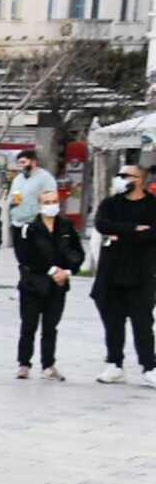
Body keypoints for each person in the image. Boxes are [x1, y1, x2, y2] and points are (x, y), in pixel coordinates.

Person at [94, 161, 156, 385]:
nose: (121, 179)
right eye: (120, 174)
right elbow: (101, 224)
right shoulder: (111, 203)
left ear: (140, 180)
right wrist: (133, 229)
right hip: (112, 272)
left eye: (127, 175)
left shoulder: (152, 205)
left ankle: (149, 366)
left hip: (141, 274)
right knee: (113, 321)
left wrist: (120, 233)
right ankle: (115, 364)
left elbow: (152, 234)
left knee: (142, 323)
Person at [6, 148, 59, 240]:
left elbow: (51, 200)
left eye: (23, 162)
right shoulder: (18, 179)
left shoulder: (45, 178)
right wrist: (12, 202)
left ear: (33, 162)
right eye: (19, 163)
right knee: (21, 254)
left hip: (35, 225)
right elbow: (11, 197)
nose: (21, 166)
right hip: (17, 224)